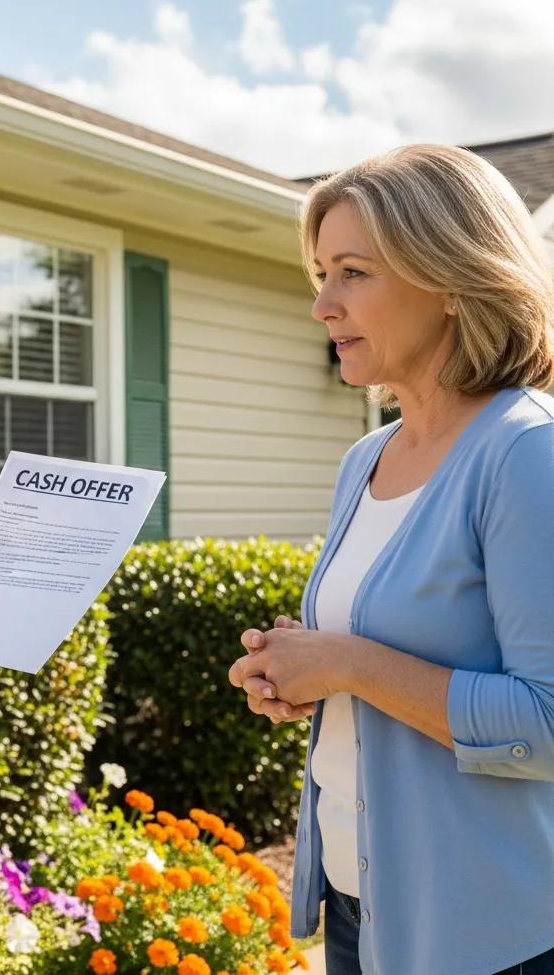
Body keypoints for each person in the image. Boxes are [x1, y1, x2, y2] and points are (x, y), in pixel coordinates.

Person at [228, 144, 554, 975]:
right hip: (358, 900)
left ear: (450, 278)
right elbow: (376, 659)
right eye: (320, 274)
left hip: (485, 934)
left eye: (352, 273)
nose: (322, 306)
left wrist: (348, 662)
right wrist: (298, 670)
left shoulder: (526, 454)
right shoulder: (365, 458)